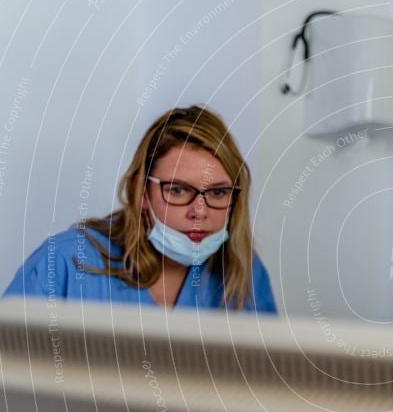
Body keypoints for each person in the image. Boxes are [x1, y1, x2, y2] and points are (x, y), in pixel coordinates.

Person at [4, 105, 276, 313]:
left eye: (218, 192)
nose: (200, 212)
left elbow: (267, 381)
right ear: (141, 191)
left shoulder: (245, 273)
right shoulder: (63, 264)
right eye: (178, 190)